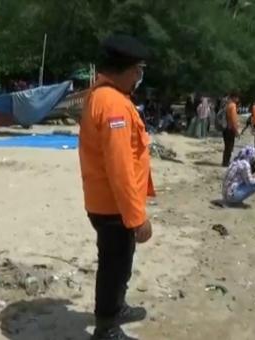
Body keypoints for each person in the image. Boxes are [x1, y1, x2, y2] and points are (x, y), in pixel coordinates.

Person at [79, 34, 155, 340]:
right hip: (113, 207)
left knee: (120, 261)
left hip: (107, 203)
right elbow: (120, 168)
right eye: (138, 69)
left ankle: (116, 308)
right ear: (124, 69)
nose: (139, 76)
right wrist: (136, 217)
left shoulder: (103, 96)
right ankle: (106, 328)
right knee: (113, 266)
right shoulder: (113, 105)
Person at [222, 92, 240, 167]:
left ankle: (225, 161)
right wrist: (236, 131)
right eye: (237, 97)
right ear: (234, 97)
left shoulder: (227, 104)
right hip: (230, 129)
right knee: (229, 146)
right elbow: (233, 119)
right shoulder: (233, 106)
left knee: (227, 146)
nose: (238, 99)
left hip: (226, 128)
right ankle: (226, 162)